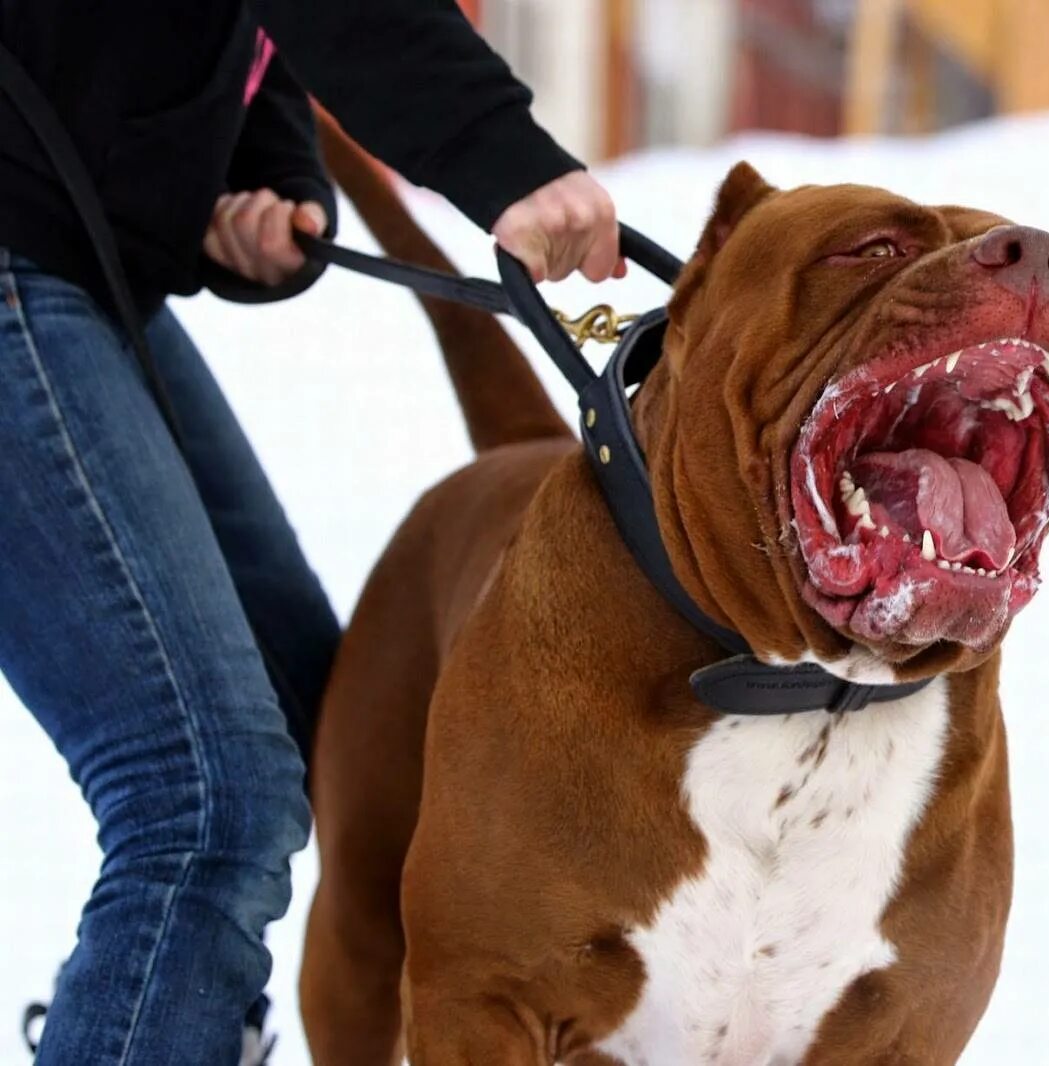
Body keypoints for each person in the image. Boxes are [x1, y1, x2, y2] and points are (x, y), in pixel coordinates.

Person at [0, 2, 619, 1062]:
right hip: (23, 252)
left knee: (319, 730)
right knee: (206, 799)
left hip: (81, 260)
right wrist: (495, 152)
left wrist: (262, 174)